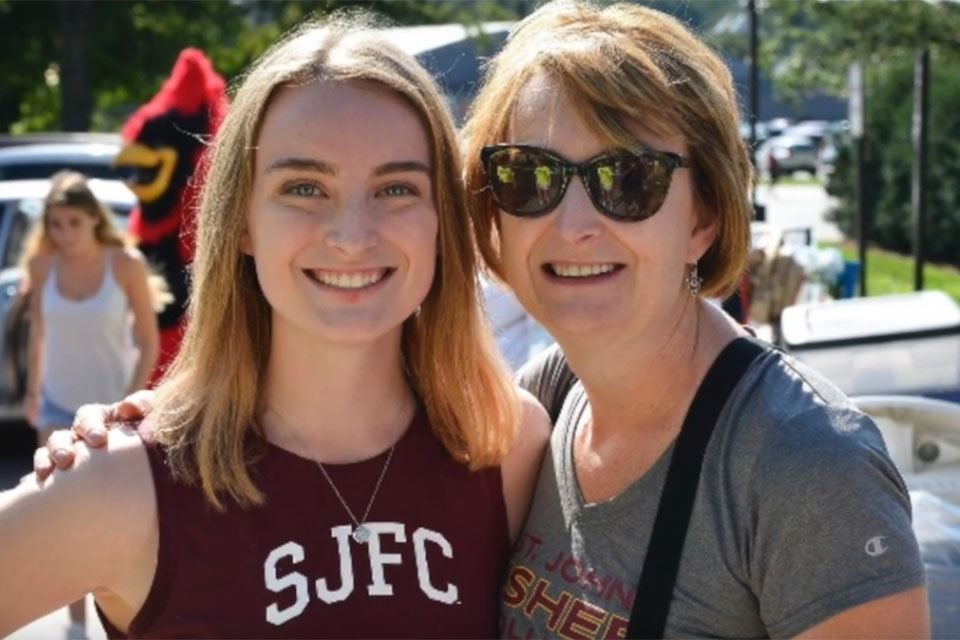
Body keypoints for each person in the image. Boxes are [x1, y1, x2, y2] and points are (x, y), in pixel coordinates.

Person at [34, 2, 929, 638]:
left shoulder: (797, 466)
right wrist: (115, 443)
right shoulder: (531, 415)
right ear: (487, 214)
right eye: (531, 177)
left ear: (704, 215)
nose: (574, 223)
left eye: (628, 180)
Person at [1, 15, 548, 639]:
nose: (351, 236)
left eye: (397, 188)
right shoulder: (124, 483)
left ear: (441, 223)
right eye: (304, 188)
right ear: (242, 223)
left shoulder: (508, 445)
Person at [18, 170, 163, 638]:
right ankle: (78, 628)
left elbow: (148, 339)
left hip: (110, 413)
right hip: (58, 404)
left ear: (93, 219)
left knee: (119, 520)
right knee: (62, 521)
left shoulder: (125, 263)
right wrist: (33, 393)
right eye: (55, 224)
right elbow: (40, 332)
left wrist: (128, 399)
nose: (63, 234)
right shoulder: (42, 266)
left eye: (73, 223)